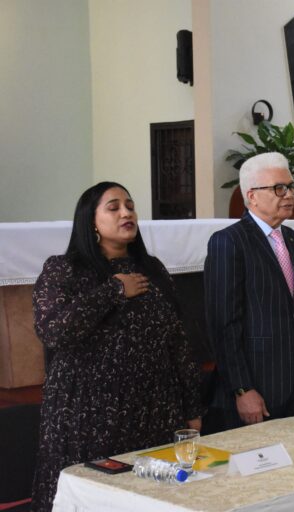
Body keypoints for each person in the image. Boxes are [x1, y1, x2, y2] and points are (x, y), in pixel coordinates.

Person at [31, 182, 203, 511]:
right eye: (114, 207)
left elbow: (178, 341)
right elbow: (53, 331)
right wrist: (113, 291)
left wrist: (192, 409)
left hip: (154, 409)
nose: (126, 213)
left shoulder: (152, 269)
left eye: (130, 206)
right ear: (91, 221)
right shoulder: (64, 269)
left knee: (150, 497)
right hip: (89, 414)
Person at [204, 152, 294, 431]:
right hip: (257, 385)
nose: (289, 194)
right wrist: (242, 388)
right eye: (278, 188)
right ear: (252, 196)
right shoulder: (229, 242)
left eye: (291, 187)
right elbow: (224, 325)